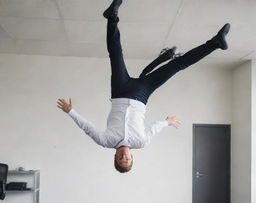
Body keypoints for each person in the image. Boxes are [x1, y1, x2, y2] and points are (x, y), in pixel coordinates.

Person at [57, 0, 230, 173]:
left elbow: (87, 127)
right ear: (132, 157)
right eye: (127, 160)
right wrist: (167, 122)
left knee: (115, 53)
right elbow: (154, 128)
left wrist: (71, 112)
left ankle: (112, 17)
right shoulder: (141, 142)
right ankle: (215, 43)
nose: (124, 157)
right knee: (177, 65)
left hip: (120, 92)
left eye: (120, 159)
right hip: (142, 94)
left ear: (115, 157)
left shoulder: (106, 141)